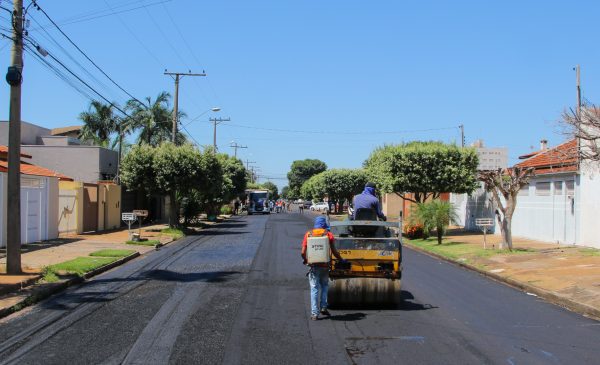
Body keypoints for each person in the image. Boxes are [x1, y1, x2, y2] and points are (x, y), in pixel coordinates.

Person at [301, 216, 344, 321]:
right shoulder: (328, 234)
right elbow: (334, 251)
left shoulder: (308, 234)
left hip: (313, 266)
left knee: (314, 289)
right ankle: (324, 307)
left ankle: (314, 314)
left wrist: (306, 260)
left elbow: (302, 252)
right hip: (325, 266)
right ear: (324, 224)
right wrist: (342, 260)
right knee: (324, 286)